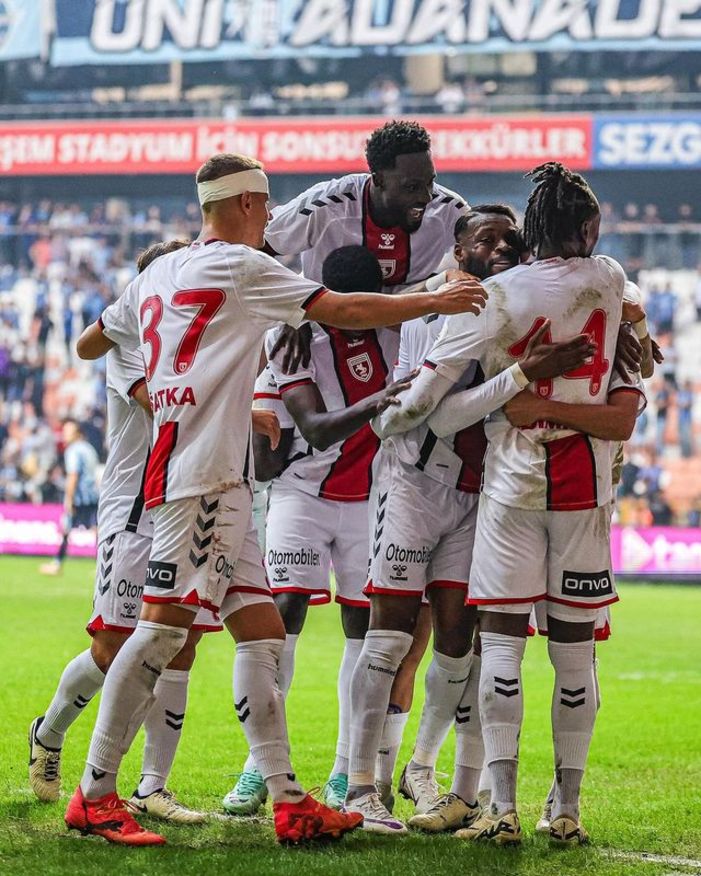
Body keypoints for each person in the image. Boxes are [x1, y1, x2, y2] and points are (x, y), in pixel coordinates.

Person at [68, 152, 487, 847]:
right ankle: (94, 793)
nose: (270, 218)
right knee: (161, 633)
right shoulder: (240, 264)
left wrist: (168, 367)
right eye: (264, 205)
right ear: (243, 204)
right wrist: (433, 301)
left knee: (262, 634)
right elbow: (344, 307)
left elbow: (91, 344)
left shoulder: (156, 274)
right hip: (200, 476)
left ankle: (290, 799)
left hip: (219, 476)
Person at [373, 162, 641, 846]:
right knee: (574, 657)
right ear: (589, 228)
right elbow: (629, 315)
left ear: (529, 231)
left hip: (511, 488)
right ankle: (567, 809)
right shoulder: (610, 279)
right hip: (585, 490)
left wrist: (393, 414)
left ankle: (502, 809)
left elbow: (434, 413)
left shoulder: (494, 297)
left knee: (500, 647)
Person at [224, 244, 423, 817]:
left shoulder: (398, 335)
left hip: (372, 499)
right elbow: (310, 429)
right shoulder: (293, 339)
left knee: (364, 628)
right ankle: (262, 765)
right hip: (302, 494)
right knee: (282, 615)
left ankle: (343, 771)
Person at [29, 240, 209, 824]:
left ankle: (153, 785)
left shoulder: (199, 336)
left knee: (178, 645)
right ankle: (49, 733)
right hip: (133, 511)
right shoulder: (129, 337)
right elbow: (164, 406)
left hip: (185, 505)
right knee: (111, 650)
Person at [39, 419, 99, 576]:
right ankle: (102, 565)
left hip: (80, 497)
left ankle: (57, 563)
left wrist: (69, 498)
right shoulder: (89, 449)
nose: (64, 435)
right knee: (96, 529)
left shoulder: (73, 450)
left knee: (67, 528)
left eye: (68, 432)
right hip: (93, 495)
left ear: (77, 433)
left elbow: (73, 475)